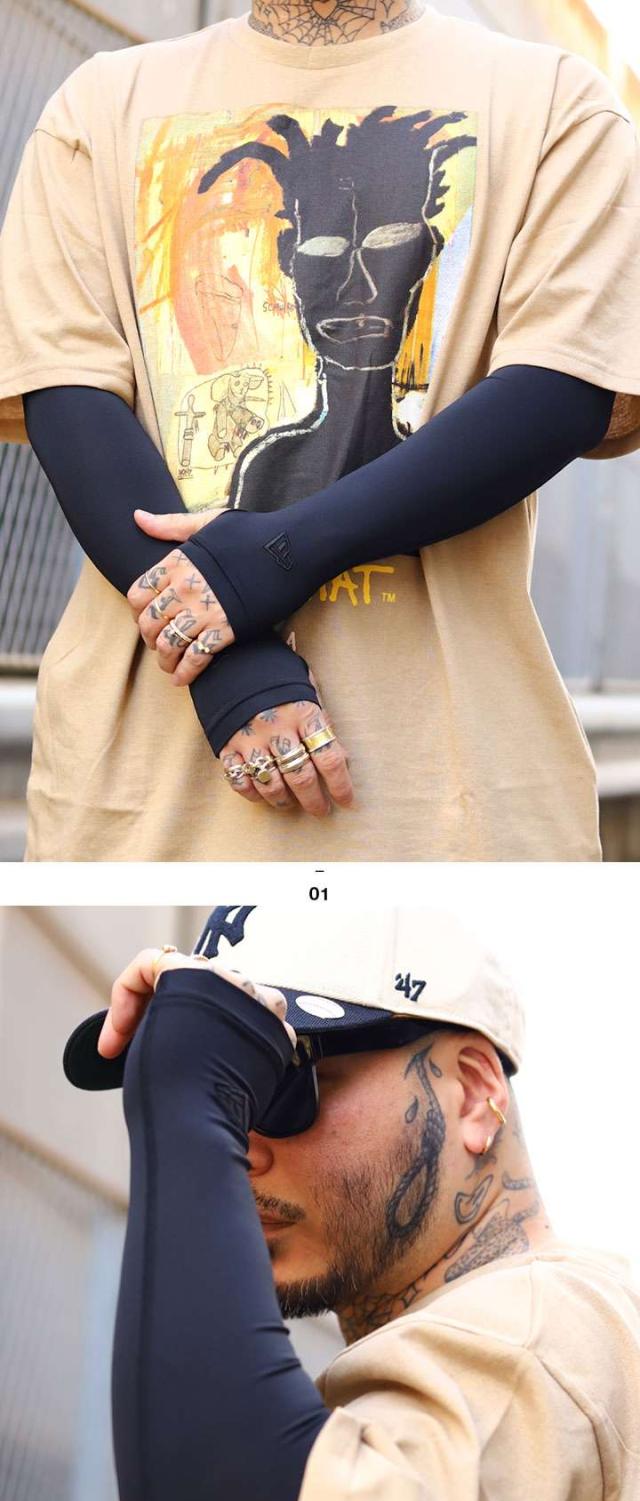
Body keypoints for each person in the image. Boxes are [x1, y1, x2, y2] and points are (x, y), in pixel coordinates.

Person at [1, 2, 639, 862]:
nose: (358, 285)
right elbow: (67, 396)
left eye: (394, 242)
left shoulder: (559, 101)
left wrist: (276, 558)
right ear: (286, 267)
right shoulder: (97, 105)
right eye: (323, 254)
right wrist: (239, 676)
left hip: (457, 803)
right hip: (137, 802)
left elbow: (559, 391)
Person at [63, 899, 640, 1501]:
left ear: (474, 1093)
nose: (240, 1142)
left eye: (287, 1085)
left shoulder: (546, 1330)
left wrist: (188, 1097)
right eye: (232, 1090)